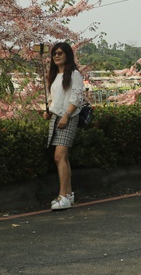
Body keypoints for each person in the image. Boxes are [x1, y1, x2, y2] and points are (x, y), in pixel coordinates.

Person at [44, 41, 85, 211]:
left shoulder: (74, 74)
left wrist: (66, 115)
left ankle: (62, 196)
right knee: (64, 157)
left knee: (58, 156)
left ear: (68, 55)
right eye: (54, 53)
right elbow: (54, 99)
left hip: (67, 118)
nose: (57, 56)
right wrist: (48, 112)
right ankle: (68, 194)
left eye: (60, 53)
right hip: (56, 117)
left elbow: (77, 97)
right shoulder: (54, 76)